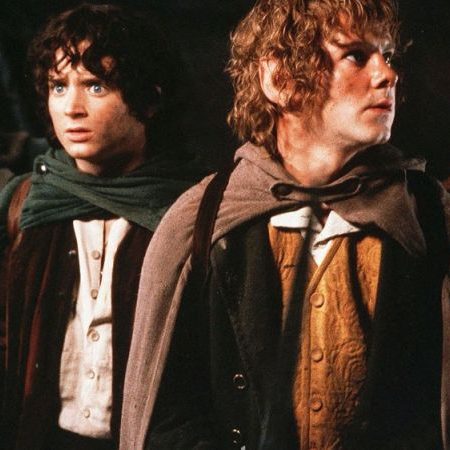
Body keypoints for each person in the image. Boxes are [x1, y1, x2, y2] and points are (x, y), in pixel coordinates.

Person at [120, 0, 450, 449]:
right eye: (356, 55)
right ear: (279, 78)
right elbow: (169, 416)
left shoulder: (427, 215)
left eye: (387, 55)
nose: (387, 74)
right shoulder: (203, 218)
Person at [0, 4, 196, 449]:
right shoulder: (25, 202)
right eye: (58, 86)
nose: (71, 108)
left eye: (96, 86)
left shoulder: (190, 212)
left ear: (149, 99)